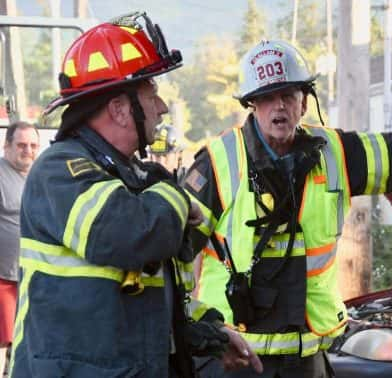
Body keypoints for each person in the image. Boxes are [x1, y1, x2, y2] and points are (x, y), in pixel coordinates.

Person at [182, 39, 392, 377]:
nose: (279, 107)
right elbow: (175, 252)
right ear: (252, 104)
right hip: (235, 358)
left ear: (304, 102)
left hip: (306, 357)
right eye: (268, 98)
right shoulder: (218, 163)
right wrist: (204, 331)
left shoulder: (336, 152)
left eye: (288, 95)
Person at [10, 12, 261, 377]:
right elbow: (135, 234)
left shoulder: (133, 176)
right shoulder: (60, 170)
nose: (160, 108)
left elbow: (150, 289)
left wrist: (206, 335)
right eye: (152, 94)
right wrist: (177, 198)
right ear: (120, 108)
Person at [0, 122, 39, 375]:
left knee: (23, 341)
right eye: (21, 145)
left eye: (33, 145)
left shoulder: (38, 176)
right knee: (2, 343)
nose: (28, 150)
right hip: (2, 278)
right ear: (6, 147)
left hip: (29, 277)